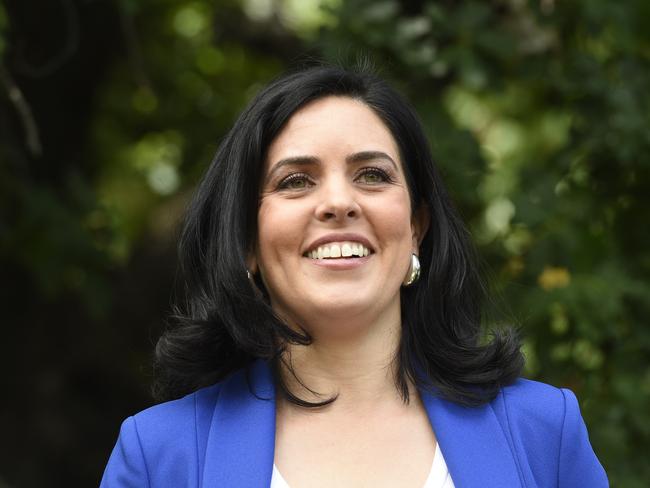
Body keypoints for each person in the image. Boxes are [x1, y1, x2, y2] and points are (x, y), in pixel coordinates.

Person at [100, 64, 608, 487]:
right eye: (295, 181)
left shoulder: (543, 430)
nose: (339, 203)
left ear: (416, 228)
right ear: (246, 243)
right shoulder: (157, 457)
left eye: (373, 175)